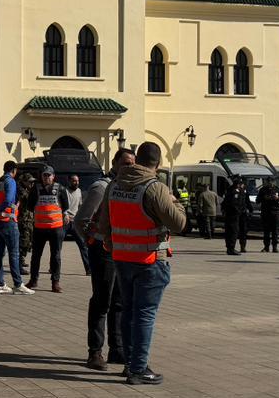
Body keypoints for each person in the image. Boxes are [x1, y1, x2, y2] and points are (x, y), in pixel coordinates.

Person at [96, 142, 186, 386]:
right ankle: (138, 368)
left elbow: (103, 225)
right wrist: (175, 202)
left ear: (137, 160)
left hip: (122, 259)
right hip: (149, 261)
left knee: (128, 311)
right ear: (156, 164)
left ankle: (129, 363)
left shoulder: (114, 185)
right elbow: (179, 224)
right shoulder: (155, 187)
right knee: (144, 315)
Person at [75, 149, 131, 371]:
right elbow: (81, 220)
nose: (129, 167)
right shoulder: (102, 187)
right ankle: (95, 352)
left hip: (121, 251)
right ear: (115, 163)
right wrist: (92, 242)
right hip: (103, 251)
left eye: (132, 163)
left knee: (119, 301)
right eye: (125, 162)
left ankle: (116, 348)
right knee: (101, 301)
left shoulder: (127, 187)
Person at [0, 161, 32, 295]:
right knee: (14, 253)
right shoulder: (10, 181)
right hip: (9, 221)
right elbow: (8, 200)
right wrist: (1, 209)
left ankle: (0, 284)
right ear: (13, 170)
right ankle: (18, 284)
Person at [27, 166, 68, 292]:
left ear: (53, 176)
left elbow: (65, 205)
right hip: (40, 229)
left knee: (56, 256)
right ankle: (33, 280)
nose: (46, 177)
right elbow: (29, 206)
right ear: (41, 176)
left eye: (48, 175)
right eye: (44, 175)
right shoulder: (36, 189)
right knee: (36, 256)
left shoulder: (60, 188)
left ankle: (55, 282)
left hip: (56, 229)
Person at [65, 174, 91, 275]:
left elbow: (80, 206)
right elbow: (61, 204)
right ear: (69, 181)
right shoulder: (64, 191)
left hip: (75, 222)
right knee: (57, 247)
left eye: (77, 181)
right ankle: (52, 267)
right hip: (66, 222)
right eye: (74, 181)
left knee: (83, 246)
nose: (76, 183)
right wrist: (65, 215)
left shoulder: (79, 191)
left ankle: (88, 269)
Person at [222, 176, 251, 255]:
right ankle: (231, 249)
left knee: (231, 231)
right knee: (233, 231)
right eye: (241, 183)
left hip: (231, 214)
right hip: (233, 215)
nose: (242, 185)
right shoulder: (235, 192)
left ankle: (230, 248)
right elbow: (234, 204)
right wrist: (239, 212)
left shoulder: (231, 190)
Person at [256, 176, 279, 252]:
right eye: (268, 181)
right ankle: (266, 247)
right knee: (266, 231)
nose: (270, 183)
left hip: (275, 212)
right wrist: (264, 198)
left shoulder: (277, 189)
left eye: (271, 181)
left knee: (275, 231)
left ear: (274, 182)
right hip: (266, 212)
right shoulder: (262, 190)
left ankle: (275, 247)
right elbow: (257, 200)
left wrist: (277, 198)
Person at [17, 174, 36, 274]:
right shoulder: (22, 191)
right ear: (24, 182)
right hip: (23, 221)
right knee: (23, 243)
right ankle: (19, 266)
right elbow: (28, 200)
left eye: (33, 182)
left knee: (28, 242)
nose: (32, 184)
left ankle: (21, 261)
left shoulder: (27, 190)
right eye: (30, 182)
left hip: (29, 220)